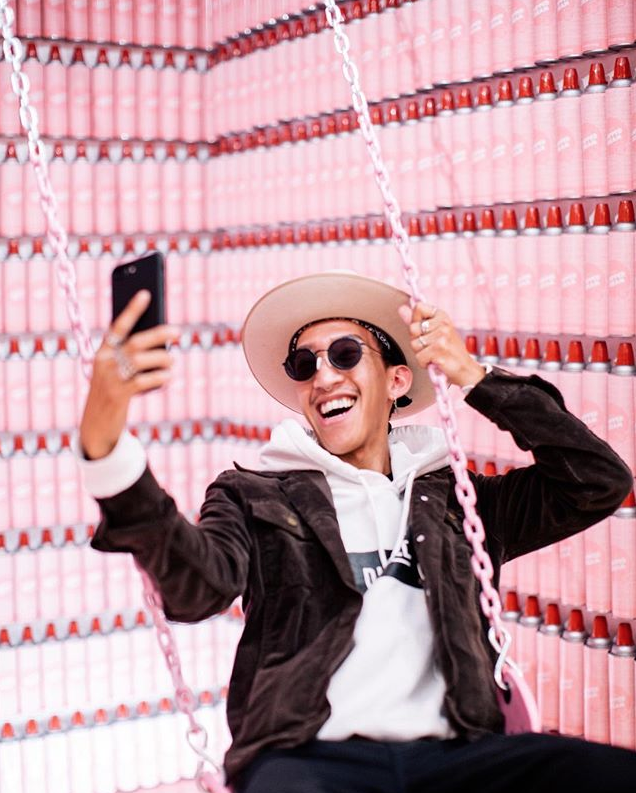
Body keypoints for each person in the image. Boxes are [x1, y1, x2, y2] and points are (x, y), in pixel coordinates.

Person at [76, 271, 636, 793]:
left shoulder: (456, 498)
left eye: (345, 355)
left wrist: (472, 377)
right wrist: (106, 446)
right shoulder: (255, 494)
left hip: (454, 755)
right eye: (303, 364)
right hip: (310, 759)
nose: (323, 376)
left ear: (397, 380)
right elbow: (195, 588)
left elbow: (596, 481)